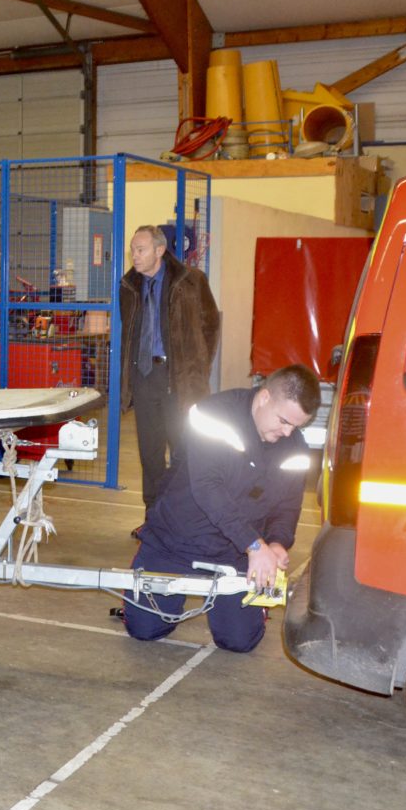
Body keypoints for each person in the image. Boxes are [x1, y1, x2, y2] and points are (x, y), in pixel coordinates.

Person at [121, 364, 320, 652]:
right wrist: (254, 545)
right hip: (176, 540)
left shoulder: (295, 447)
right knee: (144, 630)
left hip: (234, 553)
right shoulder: (213, 414)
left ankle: (244, 611)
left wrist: (277, 543)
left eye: (297, 426)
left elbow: (288, 505)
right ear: (264, 397)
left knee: (239, 642)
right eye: (284, 421)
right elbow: (208, 487)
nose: (288, 432)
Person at [119, 225, 221, 511]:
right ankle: (153, 515)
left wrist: (197, 366)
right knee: (149, 453)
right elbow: (130, 334)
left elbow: (211, 325)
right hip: (144, 377)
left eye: (141, 250)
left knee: (182, 450)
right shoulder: (129, 287)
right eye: (133, 250)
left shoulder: (191, 281)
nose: (135, 256)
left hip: (178, 379)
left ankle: (180, 515)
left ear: (160, 250)